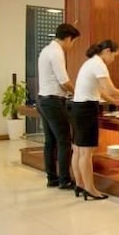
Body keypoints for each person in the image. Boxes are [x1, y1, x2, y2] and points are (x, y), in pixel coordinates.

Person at [72, 40, 119, 200]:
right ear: (107, 51)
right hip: (87, 109)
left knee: (78, 150)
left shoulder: (90, 62)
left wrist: (117, 102)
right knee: (86, 153)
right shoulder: (99, 64)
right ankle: (90, 189)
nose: (113, 59)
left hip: (77, 107)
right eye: (114, 56)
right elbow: (110, 89)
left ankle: (80, 185)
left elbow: (101, 91)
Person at [36, 23, 80, 189]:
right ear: (68, 38)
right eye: (73, 42)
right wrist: (78, 92)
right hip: (53, 101)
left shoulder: (46, 50)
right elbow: (64, 81)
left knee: (50, 141)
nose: (72, 45)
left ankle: (52, 178)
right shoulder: (57, 52)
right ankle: (64, 180)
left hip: (43, 99)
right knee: (64, 140)